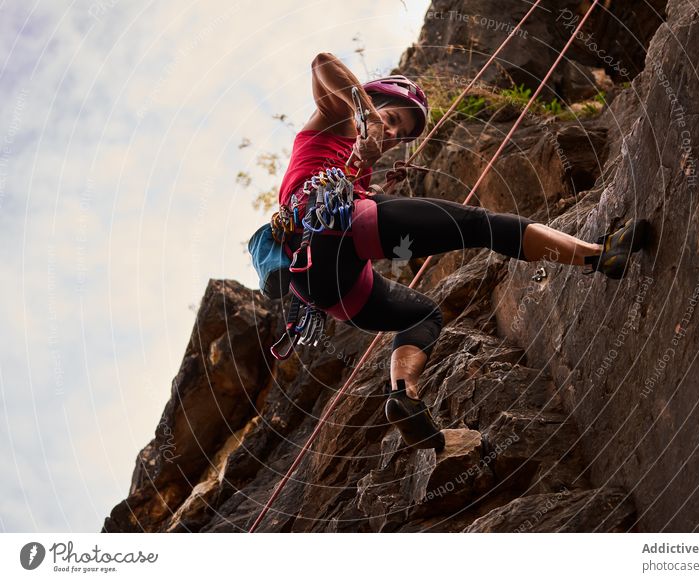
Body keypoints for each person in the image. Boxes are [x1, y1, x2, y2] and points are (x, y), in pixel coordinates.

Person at [261, 52, 649, 452]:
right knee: (479, 225)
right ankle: (597, 255)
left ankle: (403, 398)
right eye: (393, 119)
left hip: (323, 289)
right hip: (332, 232)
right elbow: (322, 62)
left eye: (401, 134)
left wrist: (369, 183)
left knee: (422, 315)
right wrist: (368, 117)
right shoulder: (335, 120)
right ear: (373, 100)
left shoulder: (358, 166)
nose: (393, 134)